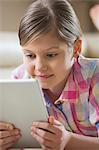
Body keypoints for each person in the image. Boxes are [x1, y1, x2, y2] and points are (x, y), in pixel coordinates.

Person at [0, 0, 99, 149]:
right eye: (30, 55)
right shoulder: (18, 79)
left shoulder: (94, 78)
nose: (40, 67)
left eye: (51, 55)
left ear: (76, 48)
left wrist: (68, 141)